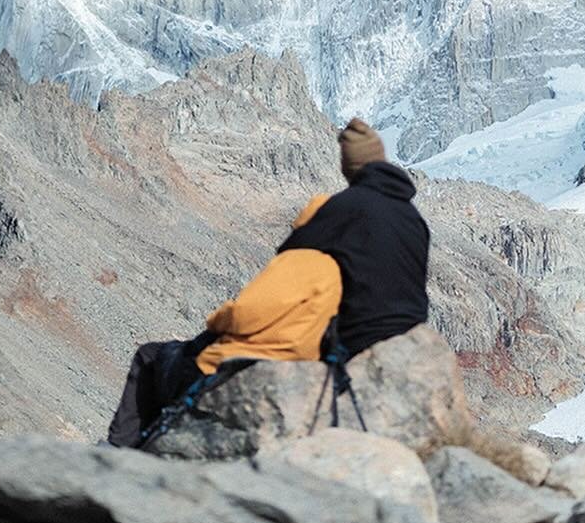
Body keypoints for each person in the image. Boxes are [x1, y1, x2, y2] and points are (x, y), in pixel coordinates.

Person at [104, 115, 429, 445]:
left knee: (153, 359)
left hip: (353, 340)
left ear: (349, 165)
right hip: (410, 333)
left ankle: (122, 451)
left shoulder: (343, 213)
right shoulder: (414, 218)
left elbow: (270, 286)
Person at [276, 117, 430, 358]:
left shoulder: (346, 207)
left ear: (348, 164)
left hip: (362, 338)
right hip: (414, 336)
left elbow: (290, 254)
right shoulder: (413, 217)